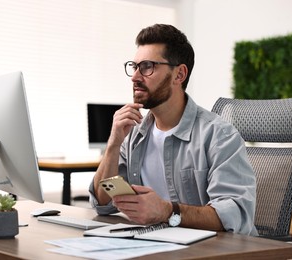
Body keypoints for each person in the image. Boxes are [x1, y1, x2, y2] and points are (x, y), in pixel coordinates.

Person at [88, 24, 257, 236]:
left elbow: (235, 216)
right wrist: (113, 145)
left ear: (179, 75)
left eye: (147, 66)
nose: (135, 77)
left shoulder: (219, 136)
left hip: (210, 251)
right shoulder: (133, 133)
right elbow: (103, 202)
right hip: (155, 245)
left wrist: (167, 211)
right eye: (134, 66)